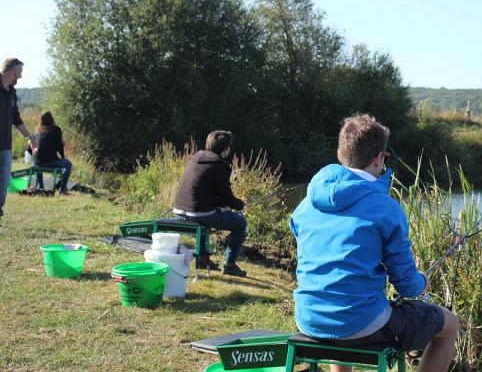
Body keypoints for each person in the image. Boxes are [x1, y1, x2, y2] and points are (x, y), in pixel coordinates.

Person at [289, 114, 458, 372]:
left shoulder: (306, 204)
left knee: (347, 309)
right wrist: (422, 282)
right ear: (379, 158)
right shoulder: (386, 209)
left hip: (308, 318)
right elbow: (407, 286)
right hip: (359, 323)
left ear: (339, 153)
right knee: (449, 324)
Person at [173, 130, 248, 277]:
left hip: (178, 210)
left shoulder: (196, 158)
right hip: (197, 214)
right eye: (229, 146)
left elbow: (207, 192)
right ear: (225, 149)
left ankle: (201, 259)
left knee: (206, 216)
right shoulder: (219, 166)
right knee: (240, 223)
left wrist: (223, 203)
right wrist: (240, 204)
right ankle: (229, 264)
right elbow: (227, 198)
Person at [0, 58, 35, 227]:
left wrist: (30, 137)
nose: (20, 76)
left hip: (5, 146)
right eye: (19, 72)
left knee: (4, 181)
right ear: (11, 70)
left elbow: (16, 118)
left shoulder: (11, 91)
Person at [31, 111, 73, 193]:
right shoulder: (56, 129)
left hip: (36, 162)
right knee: (67, 164)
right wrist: (63, 157)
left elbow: (30, 149)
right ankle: (63, 189)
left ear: (41, 120)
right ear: (51, 119)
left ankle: (41, 187)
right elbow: (59, 147)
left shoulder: (35, 132)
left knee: (38, 162)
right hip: (49, 162)